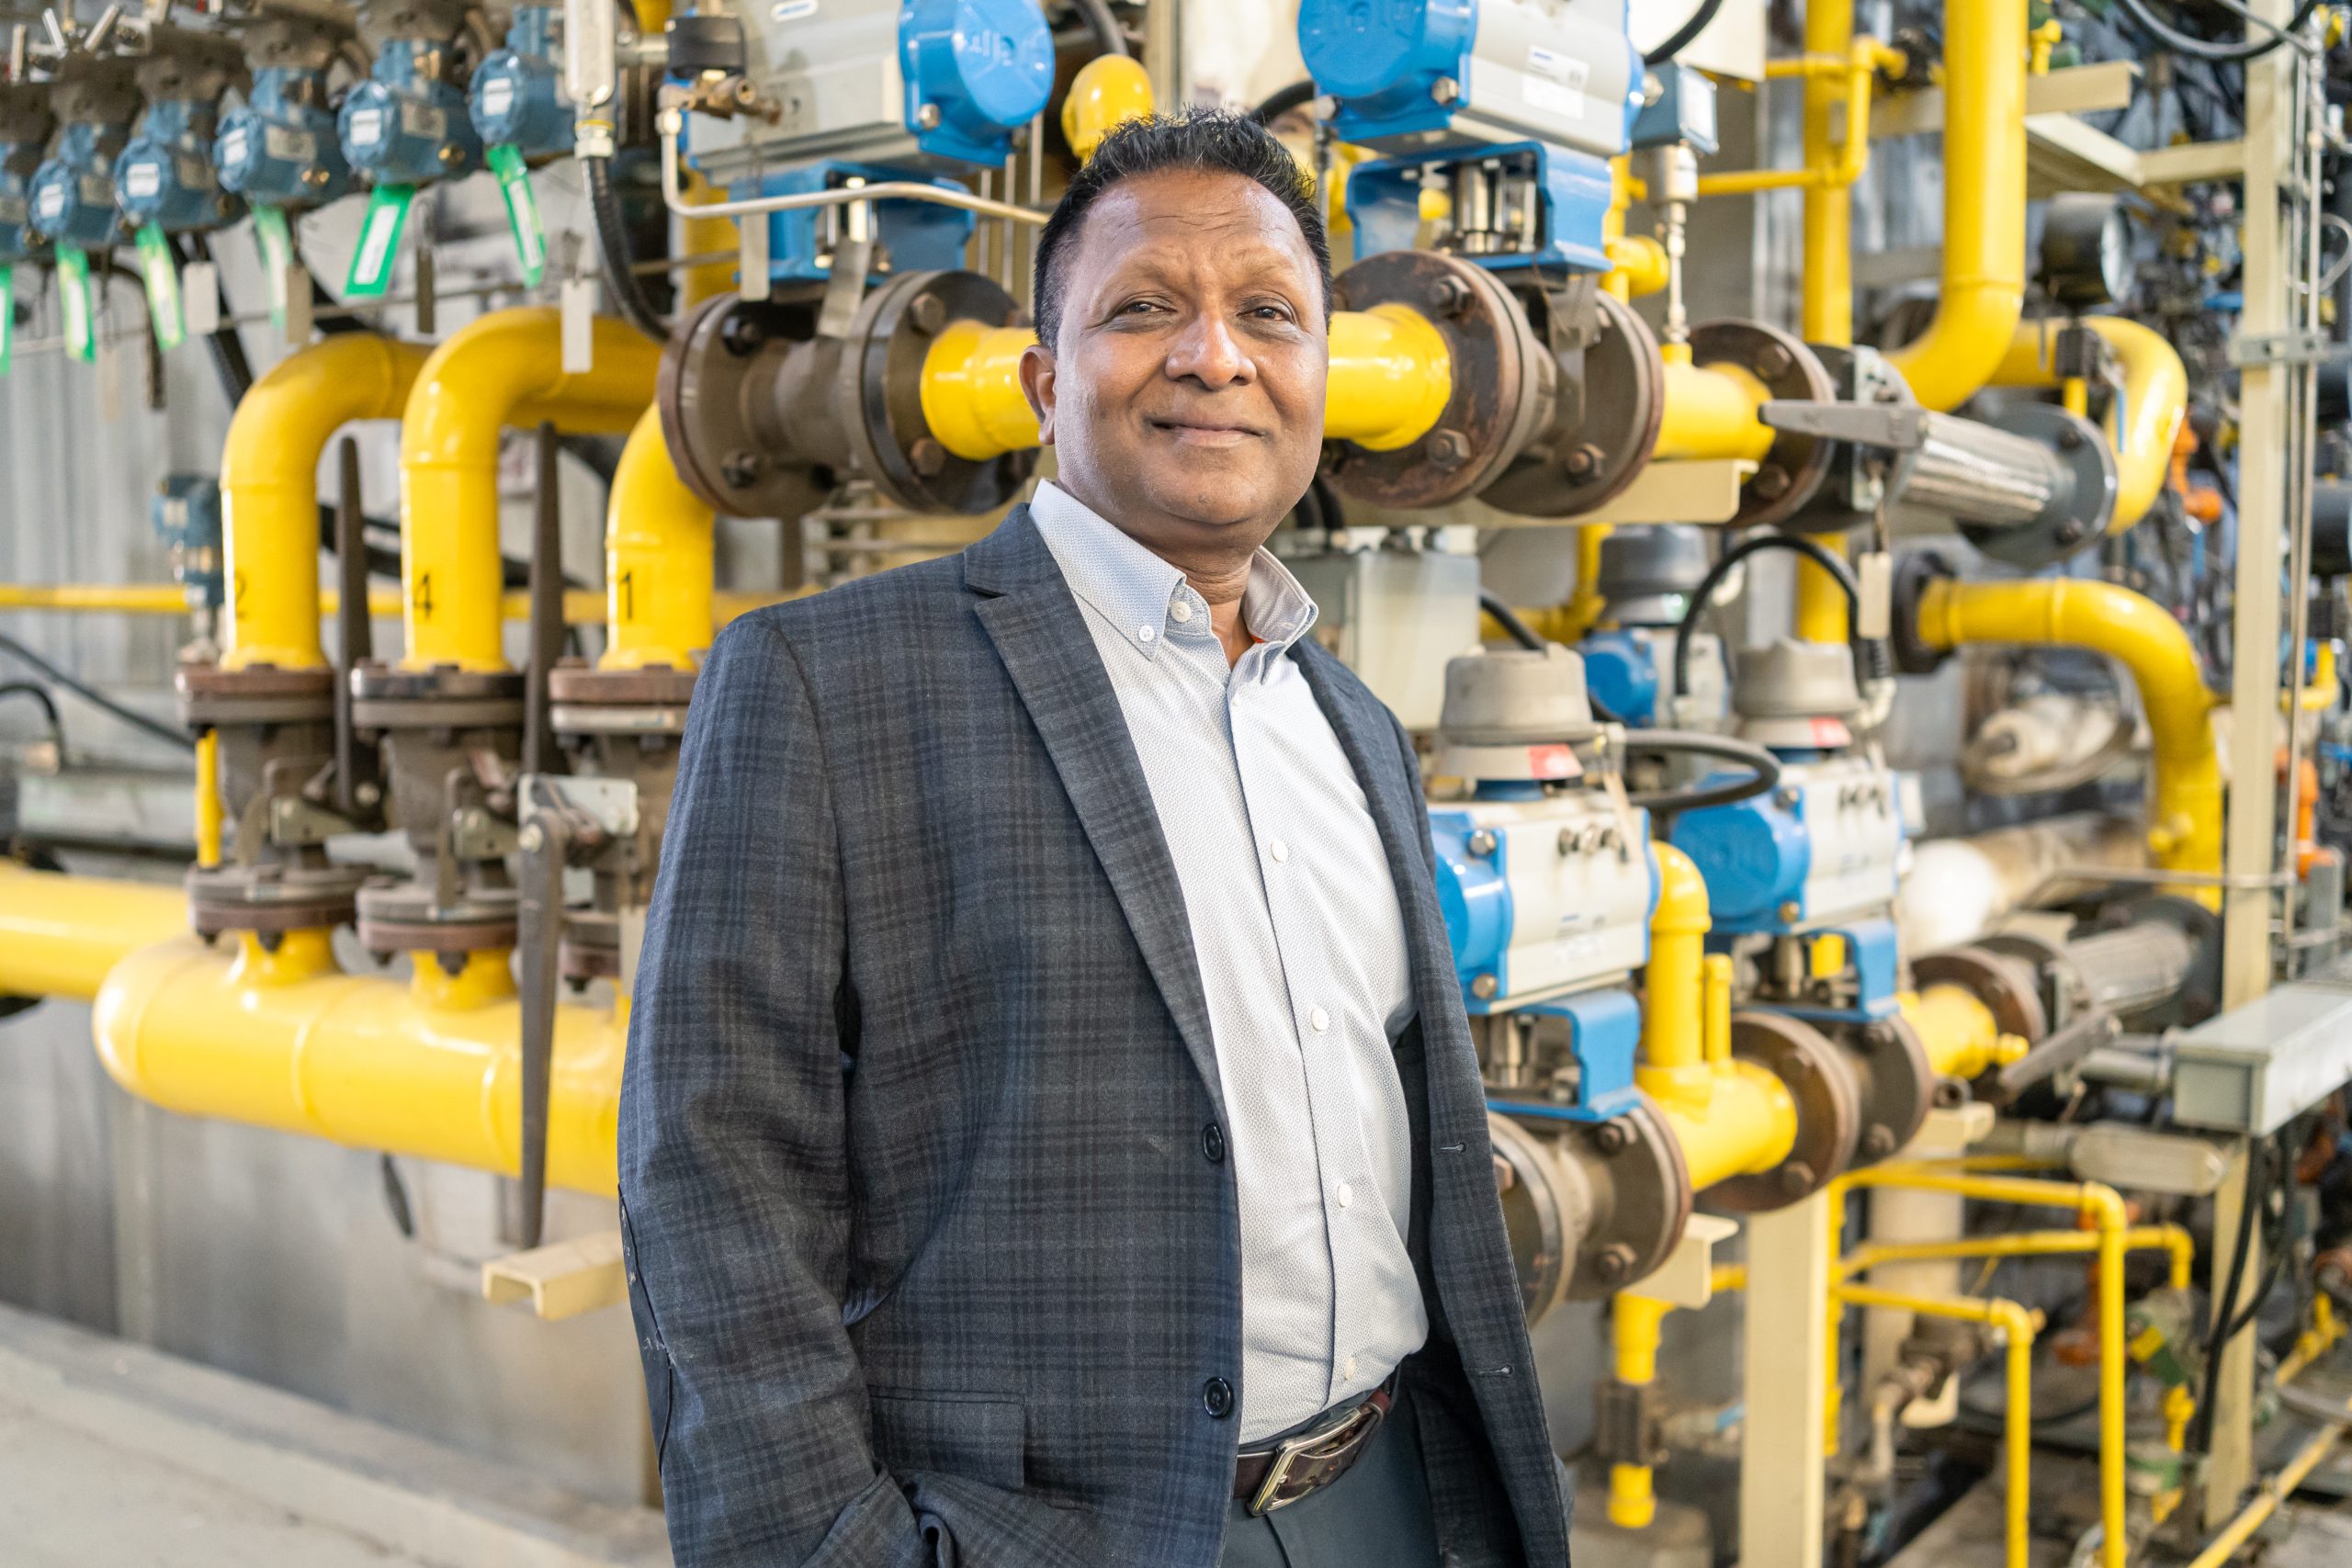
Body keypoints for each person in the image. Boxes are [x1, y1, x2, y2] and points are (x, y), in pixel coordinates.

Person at [618, 110, 1568, 1568]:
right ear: (1045, 380)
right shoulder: (828, 683)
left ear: (1321, 379)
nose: (1214, 355)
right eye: (1143, 311)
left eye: (1270, 315)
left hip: (1386, 1496)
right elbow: (713, 1181)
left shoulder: (1358, 725)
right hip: (1032, 1537)